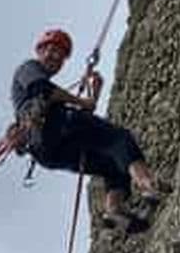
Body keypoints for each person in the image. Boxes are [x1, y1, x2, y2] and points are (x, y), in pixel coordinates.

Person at [11, 28, 161, 233]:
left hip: (47, 151)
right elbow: (42, 89)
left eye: (60, 55)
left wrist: (94, 94)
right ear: (40, 51)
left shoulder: (48, 97)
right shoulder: (28, 68)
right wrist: (82, 101)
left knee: (112, 164)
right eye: (51, 50)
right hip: (50, 128)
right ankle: (148, 184)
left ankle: (114, 210)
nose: (55, 56)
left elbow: (84, 117)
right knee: (119, 138)